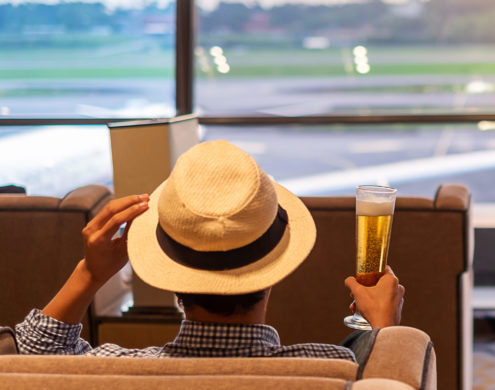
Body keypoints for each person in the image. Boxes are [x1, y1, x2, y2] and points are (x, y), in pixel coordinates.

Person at [14, 140, 404, 360]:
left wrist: (90, 273)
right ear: (276, 271)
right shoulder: (333, 367)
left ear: (170, 271)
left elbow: (27, 351)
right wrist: (385, 329)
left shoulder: (119, 369)